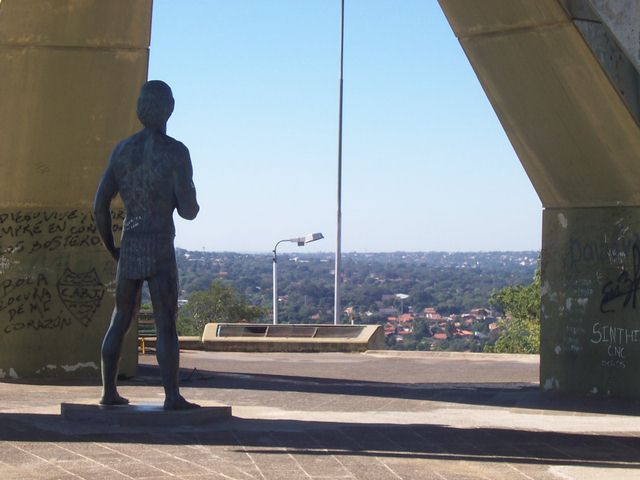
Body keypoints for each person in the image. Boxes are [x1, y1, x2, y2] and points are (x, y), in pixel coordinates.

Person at [93, 80, 199, 410]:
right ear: (169, 108)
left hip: (132, 240)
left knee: (121, 318)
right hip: (159, 241)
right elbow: (189, 210)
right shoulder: (175, 151)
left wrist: (114, 249)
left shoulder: (122, 151)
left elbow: (100, 206)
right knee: (166, 321)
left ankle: (108, 391)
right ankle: (171, 396)